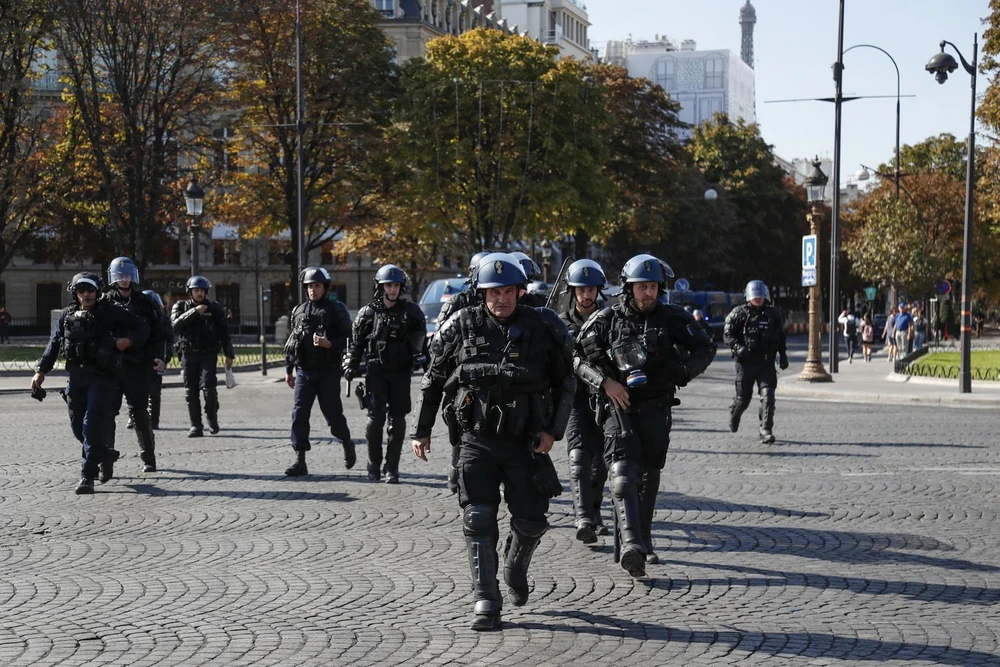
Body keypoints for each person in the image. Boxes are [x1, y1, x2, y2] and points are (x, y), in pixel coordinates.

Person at [410, 252, 576, 631]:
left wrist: (554, 431)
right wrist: (421, 431)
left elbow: (567, 380)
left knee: (531, 522)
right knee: (478, 517)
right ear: (481, 293)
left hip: (526, 443)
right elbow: (433, 378)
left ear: (520, 291)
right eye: (492, 292)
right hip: (476, 440)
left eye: (507, 291)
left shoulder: (544, 325)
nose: (500, 299)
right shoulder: (461, 325)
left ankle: (515, 570)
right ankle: (485, 599)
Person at [575, 254, 716, 574]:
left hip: (657, 409)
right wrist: (606, 383)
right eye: (642, 287)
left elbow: (705, 348)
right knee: (622, 475)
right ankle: (631, 545)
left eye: (653, 287)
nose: (648, 293)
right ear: (628, 288)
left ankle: (643, 540)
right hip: (617, 408)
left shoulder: (673, 317)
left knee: (648, 477)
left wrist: (680, 373)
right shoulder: (606, 319)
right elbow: (576, 357)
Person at [30, 273, 149, 493]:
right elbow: (53, 344)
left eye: (91, 290)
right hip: (77, 376)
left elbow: (142, 327)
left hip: (103, 376)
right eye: (82, 290)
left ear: (98, 291)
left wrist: (128, 341)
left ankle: (88, 476)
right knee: (78, 426)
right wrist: (40, 371)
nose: (87, 294)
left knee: (91, 424)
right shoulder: (66, 315)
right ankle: (105, 453)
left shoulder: (110, 311)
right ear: (75, 293)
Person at [344, 264, 425, 484]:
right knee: (374, 421)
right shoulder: (368, 313)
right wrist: (350, 364)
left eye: (396, 285)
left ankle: (392, 467)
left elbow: (422, 340)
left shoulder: (411, 312)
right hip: (376, 373)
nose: (392, 289)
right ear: (380, 287)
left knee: (398, 422)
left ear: (401, 287)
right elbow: (356, 344)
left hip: (400, 373)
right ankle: (373, 464)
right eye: (388, 285)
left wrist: (420, 356)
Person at [283, 267, 356, 476]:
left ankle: (346, 442)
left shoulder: (336, 309)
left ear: (325, 287)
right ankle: (300, 459)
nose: (313, 290)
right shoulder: (299, 310)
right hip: (304, 371)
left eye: (317, 285)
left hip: (328, 371)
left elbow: (350, 339)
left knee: (333, 416)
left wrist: (330, 344)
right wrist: (289, 369)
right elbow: (292, 343)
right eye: (309, 286)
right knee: (299, 414)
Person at [558, 258, 610, 544]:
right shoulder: (559, 322)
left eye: (591, 289)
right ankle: (583, 518)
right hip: (575, 399)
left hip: (605, 399)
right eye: (582, 289)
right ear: (573, 291)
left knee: (601, 463)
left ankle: (596, 510)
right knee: (578, 456)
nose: (587, 294)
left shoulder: (611, 318)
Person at [101, 257, 166, 474]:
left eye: (127, 276)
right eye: (120, 276)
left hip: (138, 364)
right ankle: (105, 460)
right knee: (107, 413)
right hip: (111, 365)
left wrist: (159, 356)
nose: (124, 280)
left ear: (133, 277)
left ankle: (148, 457)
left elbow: (159, 332)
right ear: (113, 278)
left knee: (139, 412)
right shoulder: (104, 302)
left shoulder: (144, 303)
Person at [437, 251, 490, 493]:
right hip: (459, 375)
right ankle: (457, 471)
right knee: (460, 423)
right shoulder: (457, 303)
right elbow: (439, 344)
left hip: (490, 374)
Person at [723, 279, 788, 445]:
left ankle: (766, 429)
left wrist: (783, 354)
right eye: (754, 296)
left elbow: (780, 335)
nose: (758, 299)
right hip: (745, 363)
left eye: (760, 296)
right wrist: (739, 348)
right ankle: (735, 414)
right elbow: (727, 335)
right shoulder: (739, 313)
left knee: (768, 396)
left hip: (766, 362)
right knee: (743, 399)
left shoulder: (774, 314)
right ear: (748, 297)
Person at [170, 276, 235, 437]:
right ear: (190, 292)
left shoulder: (214, 308)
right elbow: (175, 325)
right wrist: (193, 312)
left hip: (208, 353)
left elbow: (224, 332)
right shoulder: (180, 306)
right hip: (188, 353)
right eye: (196, 290)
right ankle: (196, 425)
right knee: (191, 391)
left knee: (209, 387)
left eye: (201, 291)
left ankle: (212, 418)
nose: (199, 294)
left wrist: (229, 354)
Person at [143, 290, 173, 429]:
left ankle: (154, 420)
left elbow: (169, 340)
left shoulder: (162, 320)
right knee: (135, 390)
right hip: (139, 357)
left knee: (154, 391)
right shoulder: (137, 319)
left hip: (156, 358)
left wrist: (166, 357)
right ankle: (135, 417)